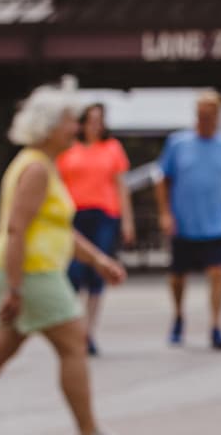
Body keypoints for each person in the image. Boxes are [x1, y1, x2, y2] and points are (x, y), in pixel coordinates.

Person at [0, 84, 126, 435]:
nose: (77, 127)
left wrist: (98, 260)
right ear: (50, 126)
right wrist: (15, 287)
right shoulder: (37, 169)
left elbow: (57, 228)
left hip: (25, 271)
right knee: (74, 344)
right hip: (32, 273)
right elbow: (16, 230)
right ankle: (89, 429)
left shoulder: (40, 164)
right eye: (71, 121)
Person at [153, 91, 221, 349]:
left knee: (217, 272)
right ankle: (178, 316)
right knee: (177, 277)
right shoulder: (177, 143)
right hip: (183, 222)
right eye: (201, 112)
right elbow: (162, 179)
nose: (204, 117)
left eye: (210, 112)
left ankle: (216, 325)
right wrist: (165, 213)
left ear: (217, 114)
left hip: (216, 222)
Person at [56, 103, 133, 357]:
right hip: (75, 215)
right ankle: (74, 329)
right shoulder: (68, 150)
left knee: (98, 273)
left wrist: (127, 221)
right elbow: (56, 183)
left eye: (99, 120)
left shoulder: (112, 149)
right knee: (74, 273)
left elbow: (121, 186)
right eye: (90, 120)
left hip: (104, 215)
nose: (94, 125)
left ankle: (89, 332)